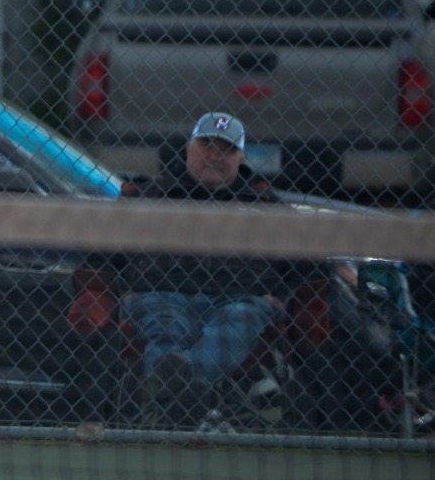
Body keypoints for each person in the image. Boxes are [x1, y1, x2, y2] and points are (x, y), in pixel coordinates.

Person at [106, 111, 309, 423]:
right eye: (206, 145)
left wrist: (281, 297)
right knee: (166, 327)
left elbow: (309, 260)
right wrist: (120, 292)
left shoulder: (266, 204)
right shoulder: (150, 196)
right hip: (163, 294)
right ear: (188, 148)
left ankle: (167, 408)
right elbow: (102, 252)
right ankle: (187, 400)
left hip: (240, 300)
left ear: (241, 158)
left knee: (240, 320)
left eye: (226, 150)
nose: (214, 156)